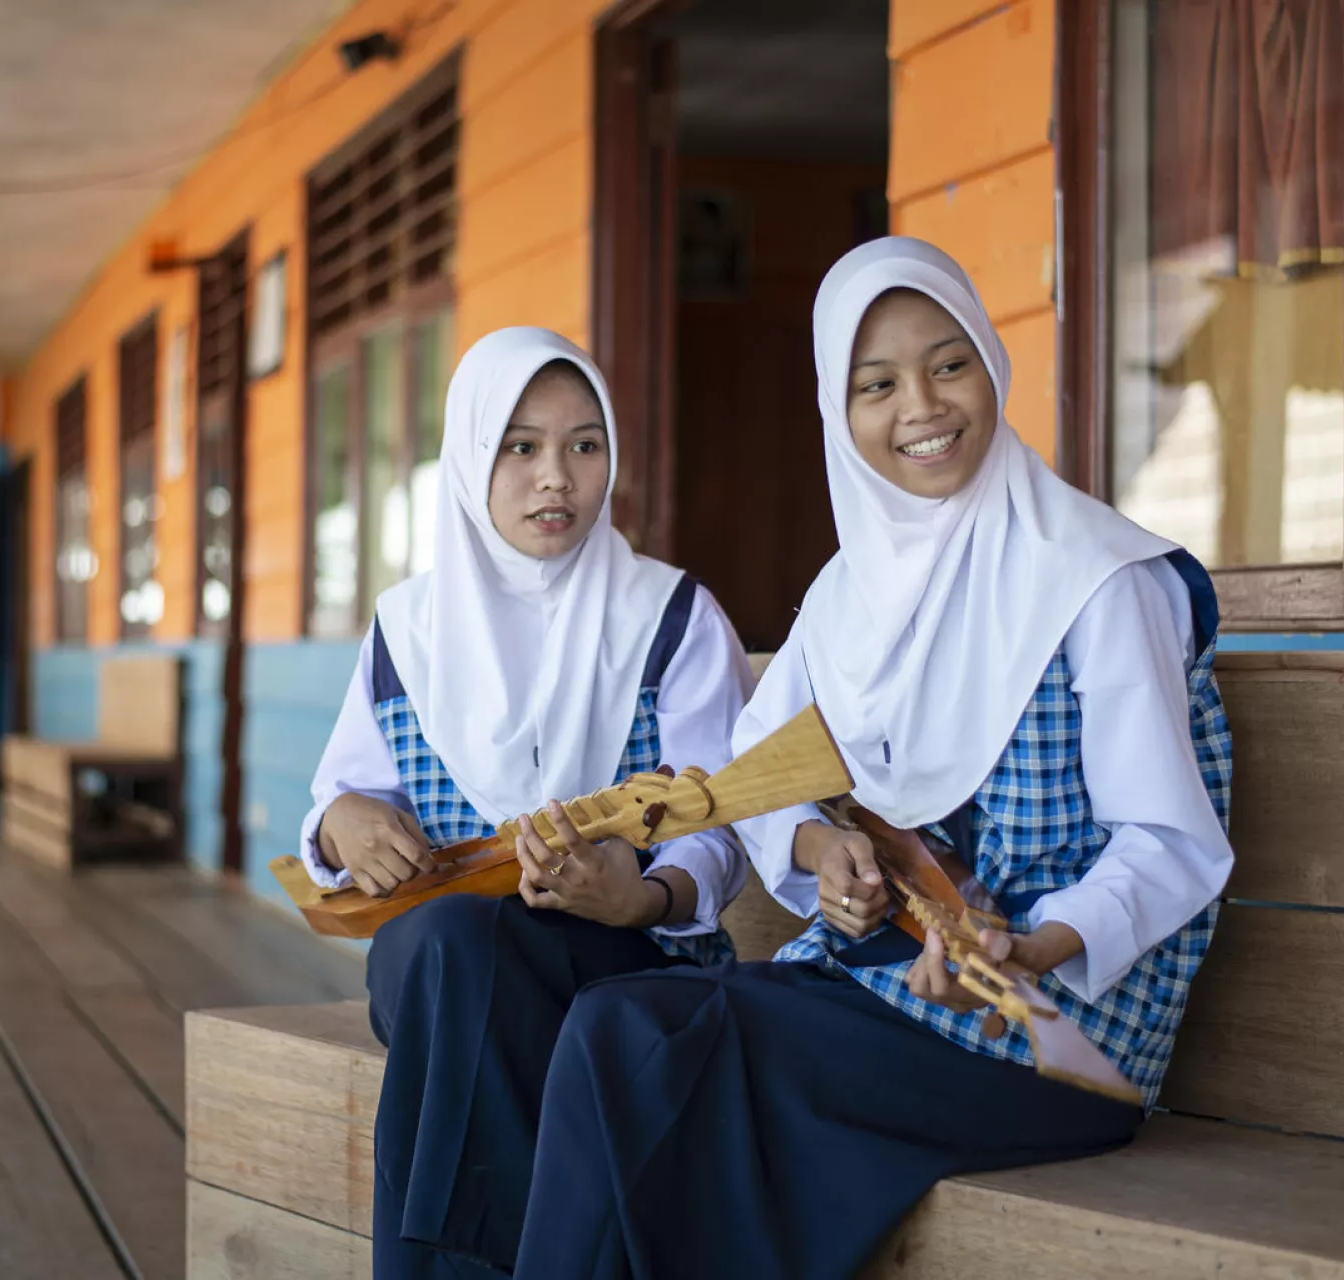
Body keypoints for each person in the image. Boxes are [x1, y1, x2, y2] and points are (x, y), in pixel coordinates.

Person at [511, 238, 1236, 1279]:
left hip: (1060, 1030)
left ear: (993, 363)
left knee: (650, 1053)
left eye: (949, 364)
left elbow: (1168, 843)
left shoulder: (1097, 580)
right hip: (888, 984)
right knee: (619, 1028)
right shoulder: (849, 596)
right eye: (877, 383)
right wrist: (818, 846)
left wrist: (1035, 946)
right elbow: (753, 775)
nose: (922, 407)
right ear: (835, 412)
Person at [298, 327, 754, 1277]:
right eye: (522, 446)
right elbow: (343, 797)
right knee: (457, 946)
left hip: (622, 967)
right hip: (437, 968)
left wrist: (644, 896)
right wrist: (346, 825)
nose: (557, 477)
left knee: (460, 964)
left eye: (585, 445)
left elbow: (724, 820)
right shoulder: (409, 627)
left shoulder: (669, 618)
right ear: (470, 457)